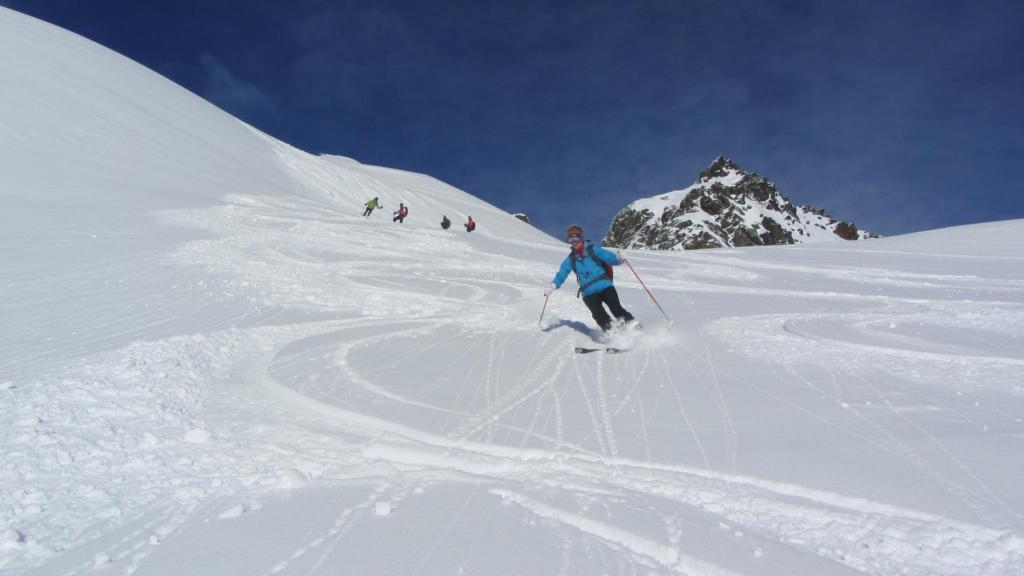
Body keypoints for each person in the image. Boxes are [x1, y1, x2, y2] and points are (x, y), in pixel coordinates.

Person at [545, 225, 635, 332]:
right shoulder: (570, 259)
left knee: (616, 309)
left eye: (576, 238)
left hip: (605, 286)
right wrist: (554, 284)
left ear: (581, 238)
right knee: (599, 316)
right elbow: (562, 273)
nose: (574, 241)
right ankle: (614, 335)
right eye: (570, 239)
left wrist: (618, 258)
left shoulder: (593, 249)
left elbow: (608, 257)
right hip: (588, 293)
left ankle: (635, 329)